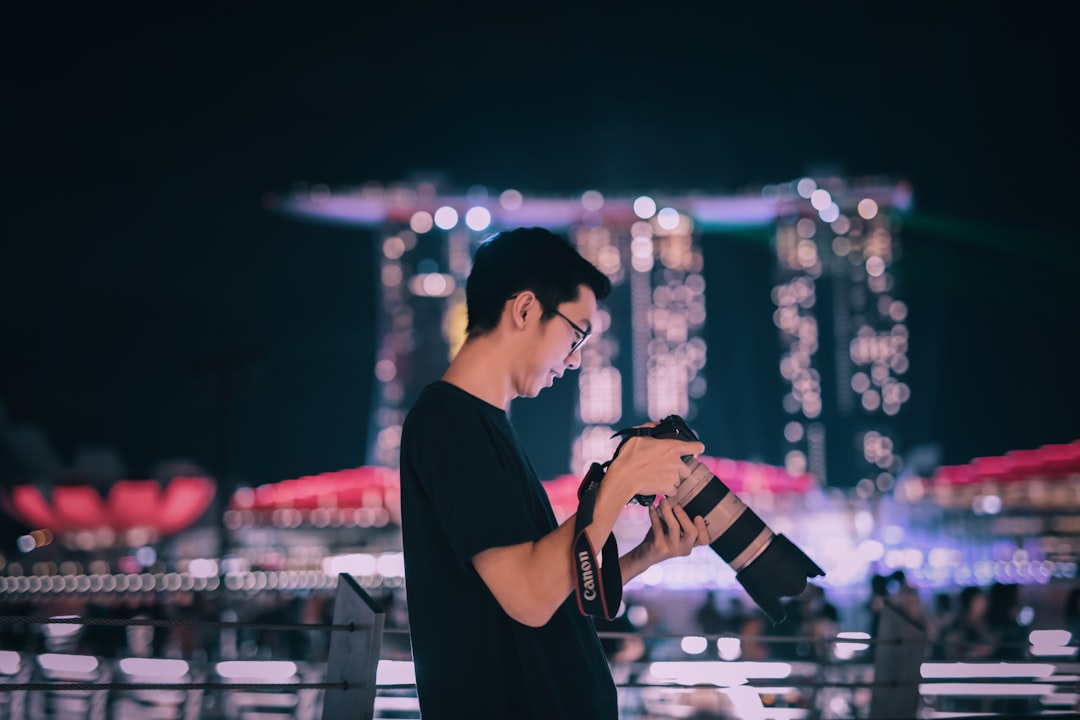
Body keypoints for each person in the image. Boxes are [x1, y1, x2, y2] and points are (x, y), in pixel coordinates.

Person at [399, 227, 709, 719]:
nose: (575, 359)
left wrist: (646, 555)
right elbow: (528, 598)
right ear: (524, 309)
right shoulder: (449, 422)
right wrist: (619, 481)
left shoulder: (481, 424)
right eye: (576, 333)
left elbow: (546, 585)